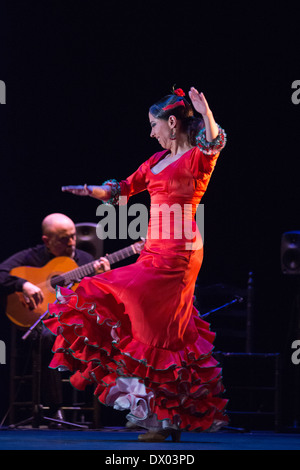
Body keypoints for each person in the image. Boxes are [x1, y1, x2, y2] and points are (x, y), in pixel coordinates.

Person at [44, 86, 228, 442]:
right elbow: (124, 188)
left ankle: (161, 418)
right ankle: (157, 412)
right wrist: (90, 190)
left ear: (172, 123)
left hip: (180, 251)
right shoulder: (155, 162)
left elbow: (215, 141)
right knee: (127, 313)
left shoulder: (197, 158)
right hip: (153, 249)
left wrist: (206, 113)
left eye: (154, 125)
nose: (151, 132)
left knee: (157, 331)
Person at [0, 213, 110, 424]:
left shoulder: (87, 261)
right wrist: (22, 284)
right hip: (39, 322)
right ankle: (54, 409)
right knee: (48, 338)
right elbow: (1, 272)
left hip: (75, 324)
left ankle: (94, 411)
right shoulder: (31, 257)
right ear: (46, 240)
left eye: (73, 236)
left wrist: (105, 277)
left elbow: (100, 299)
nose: (71, 243)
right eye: (63, 239)